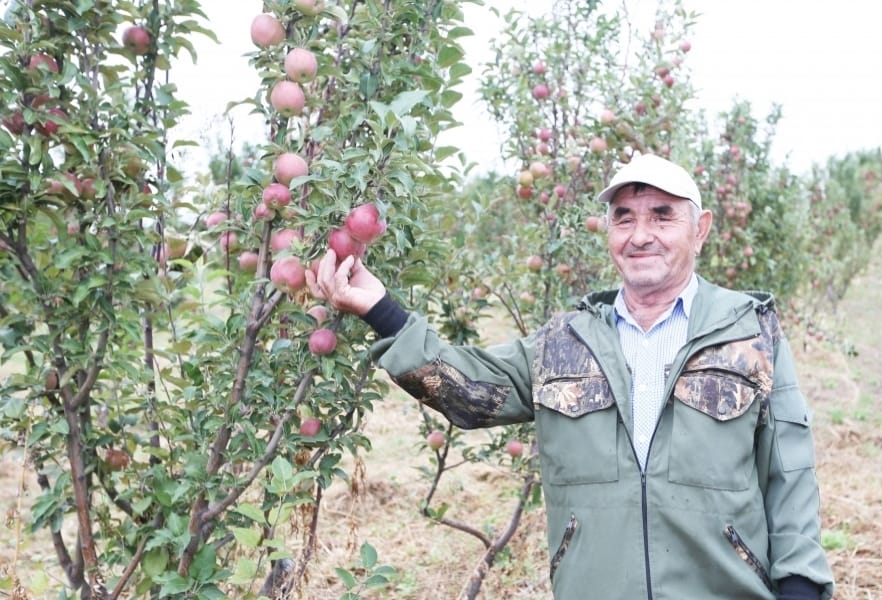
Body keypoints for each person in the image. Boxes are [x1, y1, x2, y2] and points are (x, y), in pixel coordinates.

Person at [312, 153, 835, 599]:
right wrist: (380, 310)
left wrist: (800, 587)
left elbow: (789, 475)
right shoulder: (564, 343)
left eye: (662, 216)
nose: (641, 235)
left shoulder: (749, 332)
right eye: (624, 218)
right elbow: (466, 393)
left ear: (700, 230)